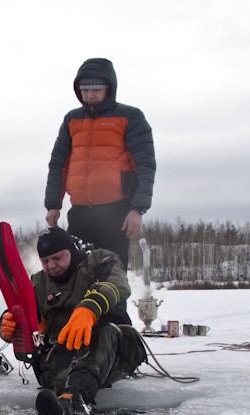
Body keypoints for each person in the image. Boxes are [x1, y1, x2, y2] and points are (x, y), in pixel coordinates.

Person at [0, 227, 146, 415]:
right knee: (56, 364)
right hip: (67, 353)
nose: (51, 266)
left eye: (57, 258)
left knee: (106, 332)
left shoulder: (99, 261)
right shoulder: (39, 283)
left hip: (116, 350)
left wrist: (90, 308)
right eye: (45, 261)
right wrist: (6, 325)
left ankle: (75, 401)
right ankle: (64, 408)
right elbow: (20, 312)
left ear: (71, 250)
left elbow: (117, 284)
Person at [44, 58, 156, 270]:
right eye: (84, 88)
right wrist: (53, 205)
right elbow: (59, 164)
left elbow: (145, 165)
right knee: (78, 272)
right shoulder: (72, 120)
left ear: (109, 87)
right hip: (80, 212)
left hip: (116, 211)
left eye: (96, 88)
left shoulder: (130, 117)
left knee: (111, 274)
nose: (90, 94)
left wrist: (137, 209)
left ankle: (114, 305)